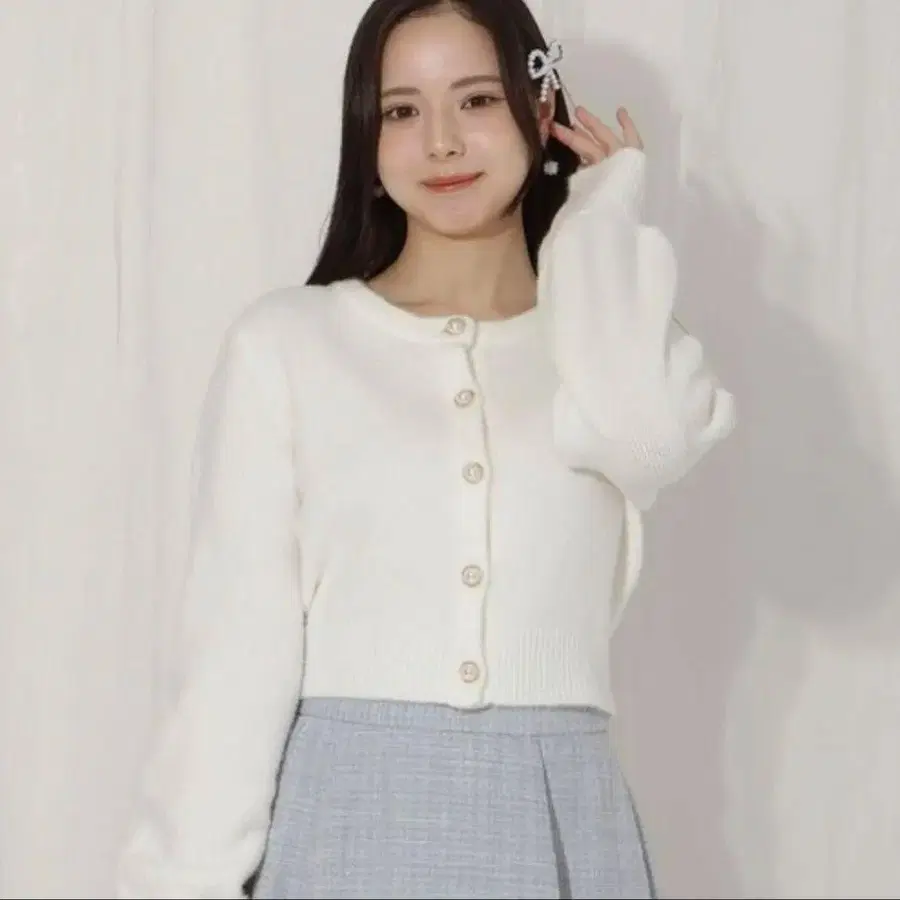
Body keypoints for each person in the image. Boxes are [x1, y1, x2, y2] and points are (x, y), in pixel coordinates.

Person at [115, 0, 736, 897]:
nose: (441, 142)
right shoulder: (287, 346)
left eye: (476, 99)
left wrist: (603, 219)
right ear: (366, 136)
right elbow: (231, 666)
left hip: (562, 819)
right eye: (401, 110)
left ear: (540, 111)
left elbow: (650, 440)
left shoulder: (601, 350)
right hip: (345, 824)